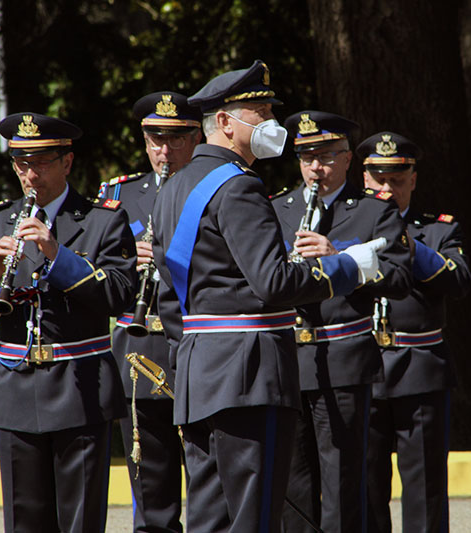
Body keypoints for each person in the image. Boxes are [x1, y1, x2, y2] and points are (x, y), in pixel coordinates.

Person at [150, 60, 383, 532]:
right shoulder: (239, 186)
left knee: (211, 521)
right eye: (258, 113)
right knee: (253, 520)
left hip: (200, 372)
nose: (271, 124)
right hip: (250, 374)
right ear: (223, 123)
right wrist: (348, 267)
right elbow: (273, 282)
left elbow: (172, 295)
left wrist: (199, 349)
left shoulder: (174, 187)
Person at [0, 113, 137, 532]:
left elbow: (118, 294)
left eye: (39, 162)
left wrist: (58, 255)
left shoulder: (103, 219)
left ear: (67, 163)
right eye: (21, 163)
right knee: (24, 521)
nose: (29, 174)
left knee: (79, 521)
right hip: (16, 388)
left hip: (80, 386)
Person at [274, 112, 412, 532]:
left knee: (342, 482)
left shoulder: (373, 212)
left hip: (344, 360)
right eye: (307, 156)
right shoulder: (275, 208)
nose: (317, 167)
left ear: (349, 158)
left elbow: (401, 278)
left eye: (327, 156)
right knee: (292, 486)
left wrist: (339, 259)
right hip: (287, 360)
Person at [355, 131, 471, 532]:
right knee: (364, 490)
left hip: (419, 368)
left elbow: (459, 281)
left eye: (397, 180)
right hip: (361, 368)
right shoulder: (345, 226)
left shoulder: (437, 230)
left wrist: (406, 244)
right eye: (379, 179)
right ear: (364, 178)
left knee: (424, 491)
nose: (387, 188)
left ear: (413, 180)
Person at [98, 91, 201, 533]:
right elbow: (95, 267)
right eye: (155, 137)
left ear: (196, 137)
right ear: (143, 140)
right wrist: (129, 256)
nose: (165, 149)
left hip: (197, 344)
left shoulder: (215, 187)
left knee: (208, 483)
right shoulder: (118, 194)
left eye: (176, 138)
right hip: (138, 348)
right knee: (150, 489)